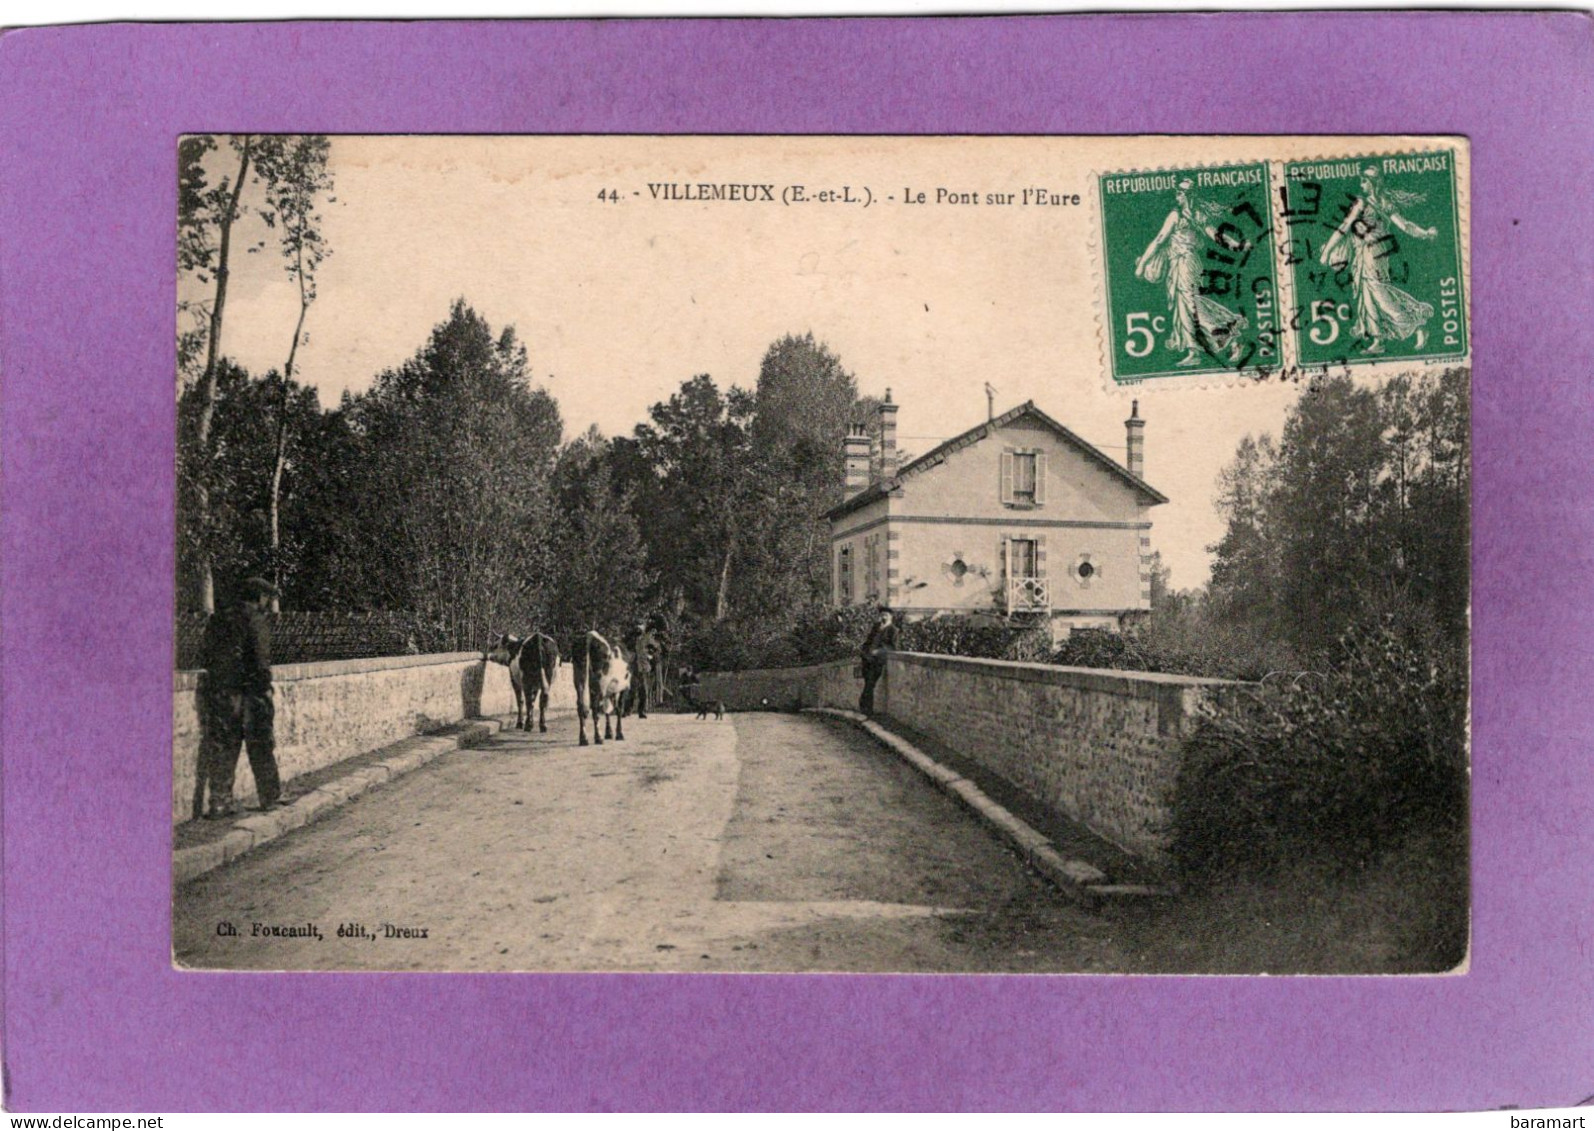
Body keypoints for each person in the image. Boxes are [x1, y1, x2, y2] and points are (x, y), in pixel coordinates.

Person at [1319, 167, 1438, 355]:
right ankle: (1378, 340)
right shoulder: (1384, 202)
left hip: (1373, 254)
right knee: (1368, 295)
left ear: (1373, 183)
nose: (1361, 184)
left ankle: (1415, 324)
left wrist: (1327, 252)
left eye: (1364, 181)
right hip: (1374, 253)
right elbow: (1405, 226)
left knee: (1380, 294)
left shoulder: (1364, 203)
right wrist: (1425, 234)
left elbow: (1344, 227)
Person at [1134, 179, 1248, 367]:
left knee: (1190, 305)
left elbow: (1159, 240)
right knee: (1186, 305)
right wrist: (1237, 245)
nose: (1177, 195)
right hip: (1181, 263)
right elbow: (1216, 236)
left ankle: (1230, 337)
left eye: (1180, 192)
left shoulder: (1177, 216)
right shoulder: (1195, 215)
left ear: (1187, 195)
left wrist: (1142, 265)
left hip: (1185, 263)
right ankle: (1194, 349)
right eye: (1177, 192)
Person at [201, 577, 286, 818]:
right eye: (267, 598)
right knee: (260, 743)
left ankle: (219, 802)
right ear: (260, 597)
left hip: (222, 690)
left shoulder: (219, 618)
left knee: (224, 745)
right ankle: (269, 797)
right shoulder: (255, 618)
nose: (268, 604)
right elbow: (260, 658)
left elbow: (205, 653)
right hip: (252, 691)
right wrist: (265, 687)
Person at [858, 607, 898, 715]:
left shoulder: (893, 630)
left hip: (878, 661)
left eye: (886, 615)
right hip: (867, 660)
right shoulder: (876, 627)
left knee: (870, 684)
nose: (883, 617)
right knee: (868, 683)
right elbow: (868, 641)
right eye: (882, 615)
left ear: (891, 617)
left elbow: (893, 647)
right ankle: (865, 709)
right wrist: (863, 651)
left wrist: (879, 651)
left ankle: (865, 708)